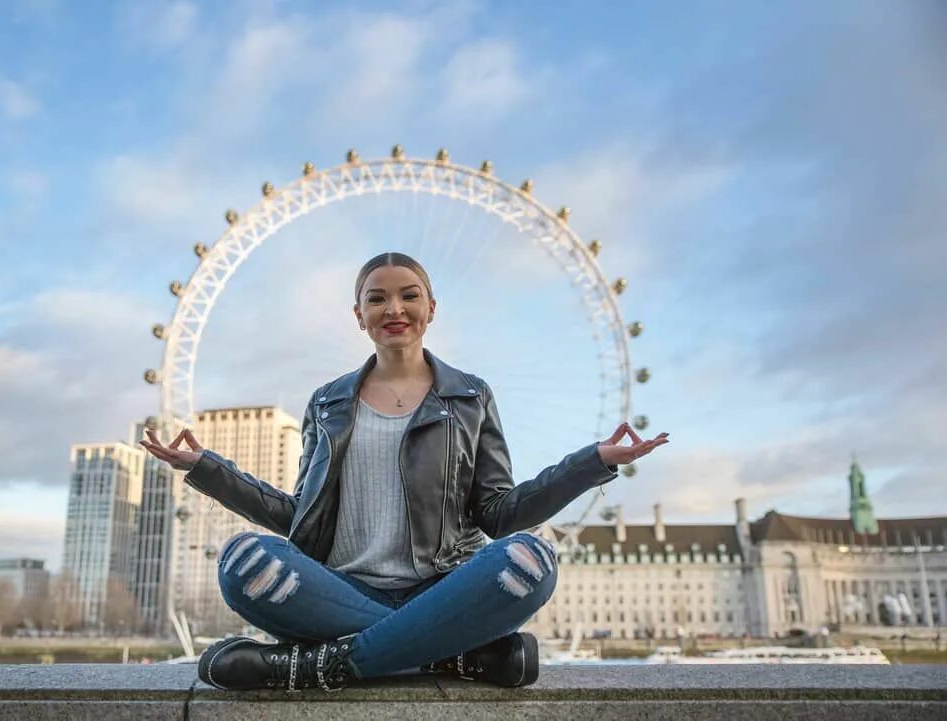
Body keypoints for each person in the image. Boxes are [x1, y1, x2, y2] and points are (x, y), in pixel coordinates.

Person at [141, 251, 669, 692]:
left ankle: (310, 666)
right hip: (338, 591)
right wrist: (207, 469)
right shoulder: (326, 403)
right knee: (241, 560)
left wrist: (590, 463)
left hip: (441, 589)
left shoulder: (471, 396)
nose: (394, 307)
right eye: (377, 298)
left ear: (431, 308)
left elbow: (500, 514)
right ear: (358, 315)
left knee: (531, 559)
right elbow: (300, 517)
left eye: (409, 294)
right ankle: (449, 657)